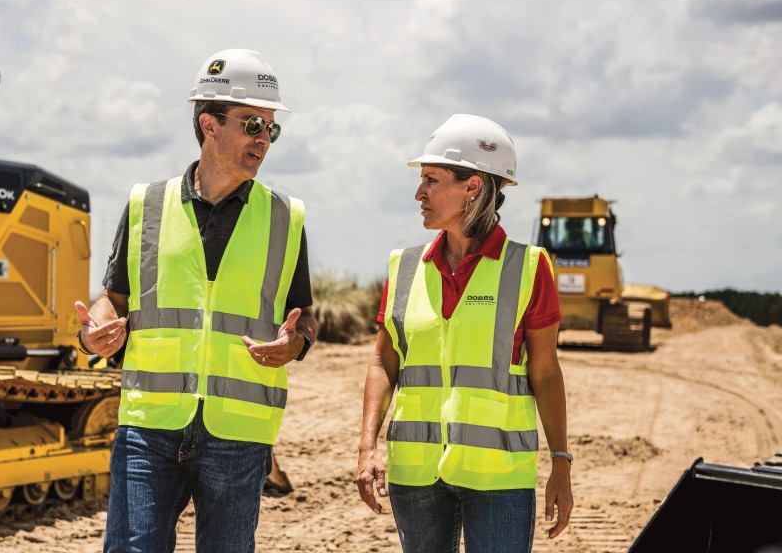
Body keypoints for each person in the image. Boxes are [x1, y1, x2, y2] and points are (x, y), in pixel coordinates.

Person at [75, 48, 317, 553]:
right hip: (150, 426)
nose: (263, 140)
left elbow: (304, 315)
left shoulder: (285, 217)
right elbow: (112, 298)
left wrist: (293, 344)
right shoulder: (147, 204)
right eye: (253, 124)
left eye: (271, 129)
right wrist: (94, 332)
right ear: (210, 124)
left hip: (239, 431)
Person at [356, 114, 573, 552]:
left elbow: (546, 373)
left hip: (498, 478)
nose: (419, 193)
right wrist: (366, 448)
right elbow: (384, 361)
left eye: (432, 180)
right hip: (415, 474)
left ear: (473, 186)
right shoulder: (404, 267)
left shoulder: (528, 268)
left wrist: (561, 464)